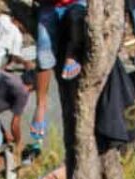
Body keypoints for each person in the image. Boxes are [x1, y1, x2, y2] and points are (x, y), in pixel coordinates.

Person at [31, 0, 88, 146]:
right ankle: (41, 105)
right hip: (49, 5)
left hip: (76, 3)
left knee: (76, 22)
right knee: (44, 52)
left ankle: (72, 54)